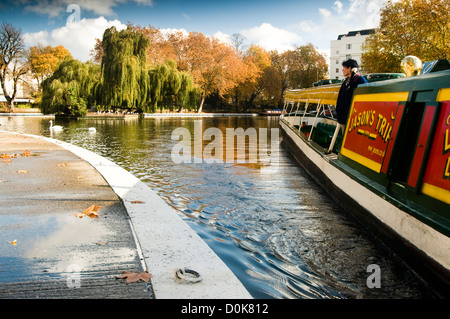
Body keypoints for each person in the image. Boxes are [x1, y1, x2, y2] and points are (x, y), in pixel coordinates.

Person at [326, 59, 367, 154]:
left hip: (354, 119)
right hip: (344, 118)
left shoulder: (360, 81)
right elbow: (340, 99)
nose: (342, 70)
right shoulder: (346, 82)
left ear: (350, 69)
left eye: (344, 68)